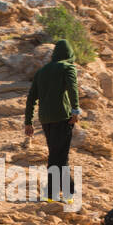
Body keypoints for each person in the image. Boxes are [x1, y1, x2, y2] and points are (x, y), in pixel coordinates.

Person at [24, 40, 81, 202]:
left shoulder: (41, 71)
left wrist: (28, 121)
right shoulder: (68, 67)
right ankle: (62, 194)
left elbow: (31, 98)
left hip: (45, 119)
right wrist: (75, 110)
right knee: (60, 156)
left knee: (56, 155)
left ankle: (54, 194)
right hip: (63, 117)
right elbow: (73, 88)